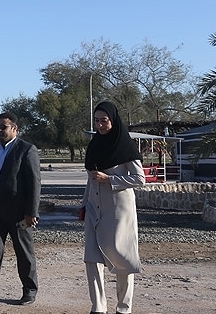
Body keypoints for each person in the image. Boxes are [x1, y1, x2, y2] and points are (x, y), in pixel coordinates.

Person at [82, 101, 146, 314]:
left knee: (123, 259)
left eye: (104, 121)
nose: (100, 125)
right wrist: (83, 205)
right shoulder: (94, 145)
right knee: (92, 258)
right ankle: (98, 307)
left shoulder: (125, 146)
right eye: (97, 121)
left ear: (113, 120)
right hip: (94, 209)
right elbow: (91, 180)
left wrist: (110, 179)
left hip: (119, 211)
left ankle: (124, 308)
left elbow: (139, 179)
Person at [0, 112, 41, 307]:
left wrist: (32, 212)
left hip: (19, 214)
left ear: (15, 128)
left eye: (3, 127)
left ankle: (29, 290)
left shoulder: (26, 150)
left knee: (24, 253)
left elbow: (34, 183)